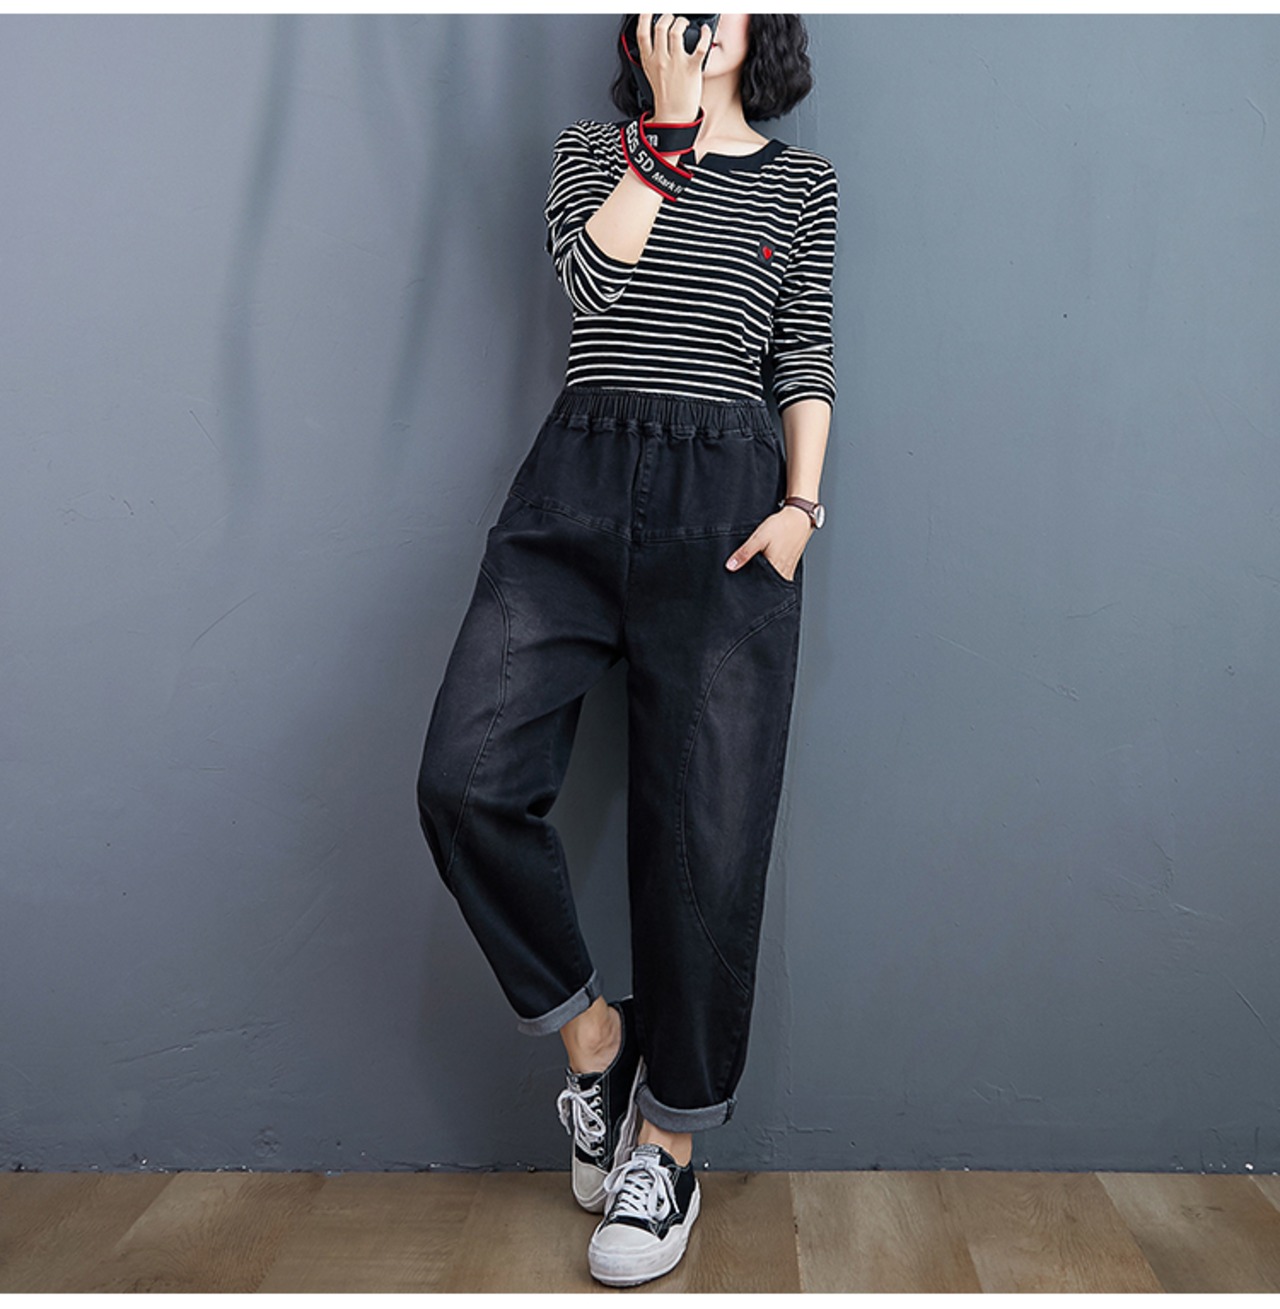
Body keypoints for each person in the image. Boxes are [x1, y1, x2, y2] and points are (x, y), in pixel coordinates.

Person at [416, 12, 838, 1287]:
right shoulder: (586, 152)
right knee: (465, 780)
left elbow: (803, 353)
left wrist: (799, 509)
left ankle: (668, 1146)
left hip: (729, 509)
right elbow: (593, 287)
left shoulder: (803, 183)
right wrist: (660, 137)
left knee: (706, 838)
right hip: (577, 486)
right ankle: (597, 1043)